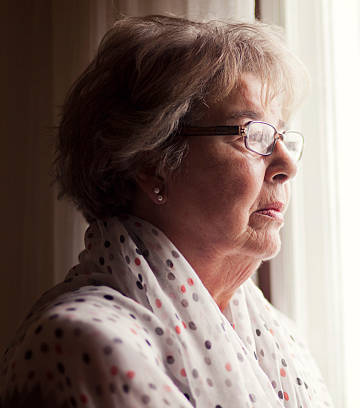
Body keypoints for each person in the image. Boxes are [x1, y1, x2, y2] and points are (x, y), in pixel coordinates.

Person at [0, 15, 333, 407]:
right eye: (254, 134)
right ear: (152, 164)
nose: (287, 165)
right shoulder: (86, 343)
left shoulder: (280, 339)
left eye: (280, 136)